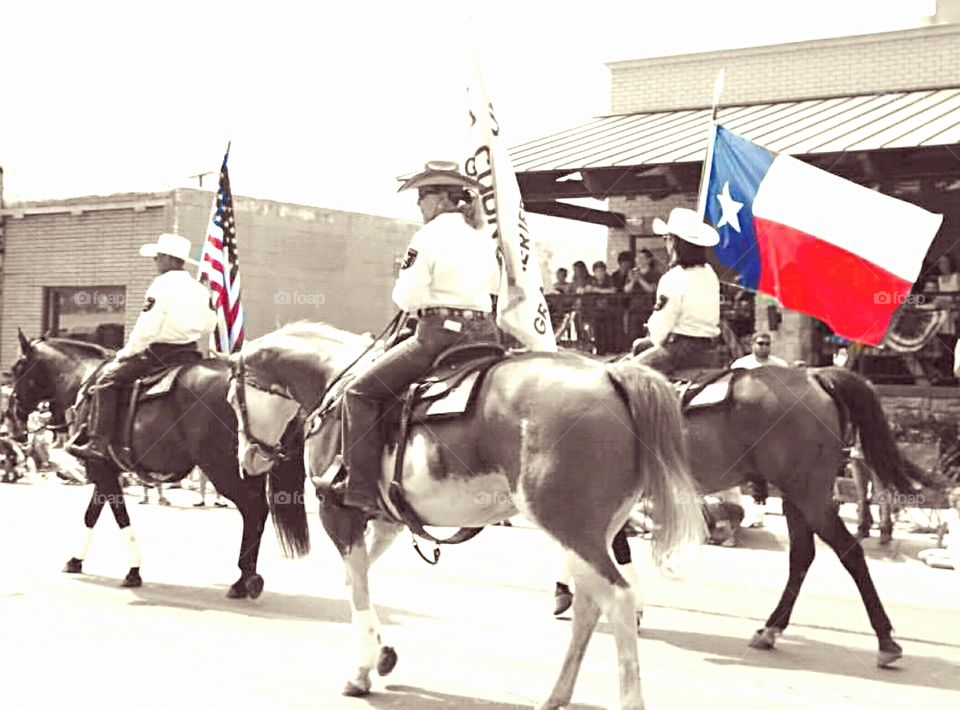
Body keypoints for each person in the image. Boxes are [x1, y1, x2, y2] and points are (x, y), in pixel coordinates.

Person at [340, 161, 501, 516]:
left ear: (441, 198)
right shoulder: (481, 234)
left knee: (359, 393)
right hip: (485, 336)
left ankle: (361, 489)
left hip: (439, 337)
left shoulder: (428, 236)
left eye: (422, 195)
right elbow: (494, 285)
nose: (418, 203)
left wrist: (419, 298)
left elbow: (408, 296)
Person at [70, 233, 217, 461]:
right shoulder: (199, 288)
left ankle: (98, 443)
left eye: (157, 257)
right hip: (190, 353)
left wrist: (125, 353)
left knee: (105, 382)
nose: (155, 261)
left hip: (160, 354)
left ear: (168, 258)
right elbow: (210, 324)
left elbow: (147, 328)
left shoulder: (161, 285)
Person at [631, 207, 721, 374]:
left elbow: (661, 328)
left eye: (666, 238)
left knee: (626, 373)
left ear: (674, 242)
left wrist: (653, 332)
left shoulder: (672, 278)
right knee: (640, 346)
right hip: (709, 344)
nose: (666, 243)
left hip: (680, 351)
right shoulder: (710, 273)